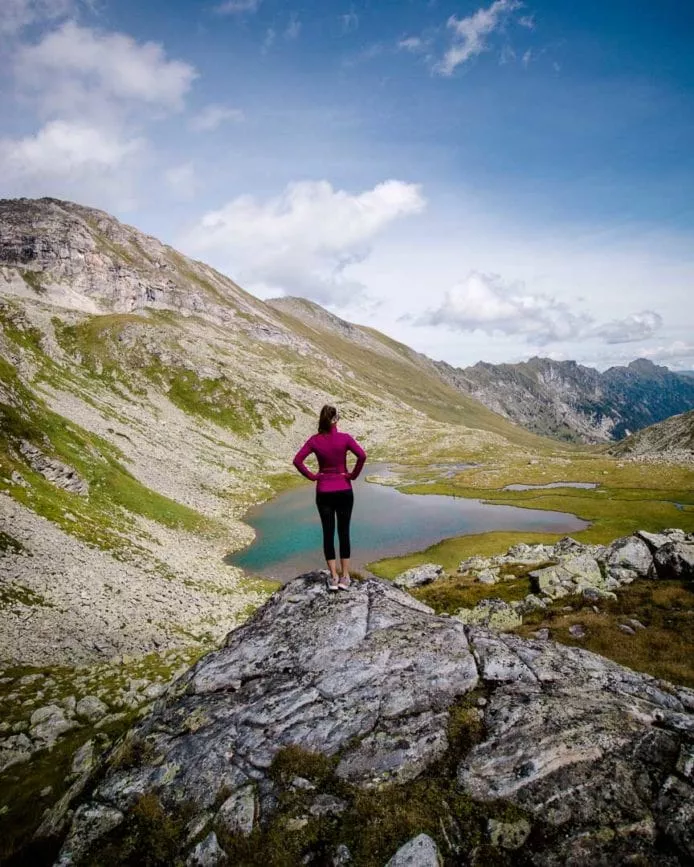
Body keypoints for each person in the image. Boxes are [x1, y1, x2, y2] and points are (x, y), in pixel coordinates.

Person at [292, 405, 367, 591]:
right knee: (344, 532)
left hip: (324, 491)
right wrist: (352, 475)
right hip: (344, 489)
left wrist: (314, 476)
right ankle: (345, 577)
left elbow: (297, 461)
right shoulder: (345, 438)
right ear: (335, 420)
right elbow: (362, 456)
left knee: (328, 533)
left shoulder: (315, 440)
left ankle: (333, 577)